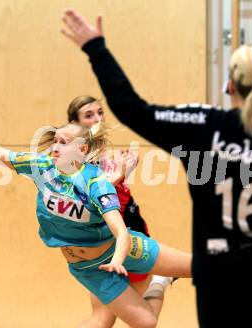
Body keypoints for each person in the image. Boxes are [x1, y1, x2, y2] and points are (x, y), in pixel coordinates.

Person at [61, 9, 252, 328]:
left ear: (230, 86)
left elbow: (131, 108)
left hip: (221, 274)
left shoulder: (201, 125)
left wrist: (96, 47)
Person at [0, 82, 192, 328]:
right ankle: (159, 281)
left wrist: (116, 260)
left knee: (196, 267)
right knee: (145, 323)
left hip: (115, 250)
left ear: (81, 149)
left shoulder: (95, 181)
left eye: (63, 142)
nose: (55, 147)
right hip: (87, 268)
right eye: (55, 141)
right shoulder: (41, 168)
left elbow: (121, 231)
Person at [66, 96, 172, 327]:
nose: (98, 119)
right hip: (102, 240)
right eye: (89, 115)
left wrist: (125, 170)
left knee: (120, 320)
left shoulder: (101, 153)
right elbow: (87, 196)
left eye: (100, 112)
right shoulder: (76, 157)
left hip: (128, 230)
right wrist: (121, 173)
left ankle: (160, 281)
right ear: (74, 123)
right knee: (105, 320)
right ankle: (160, 282)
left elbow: (112, 194)